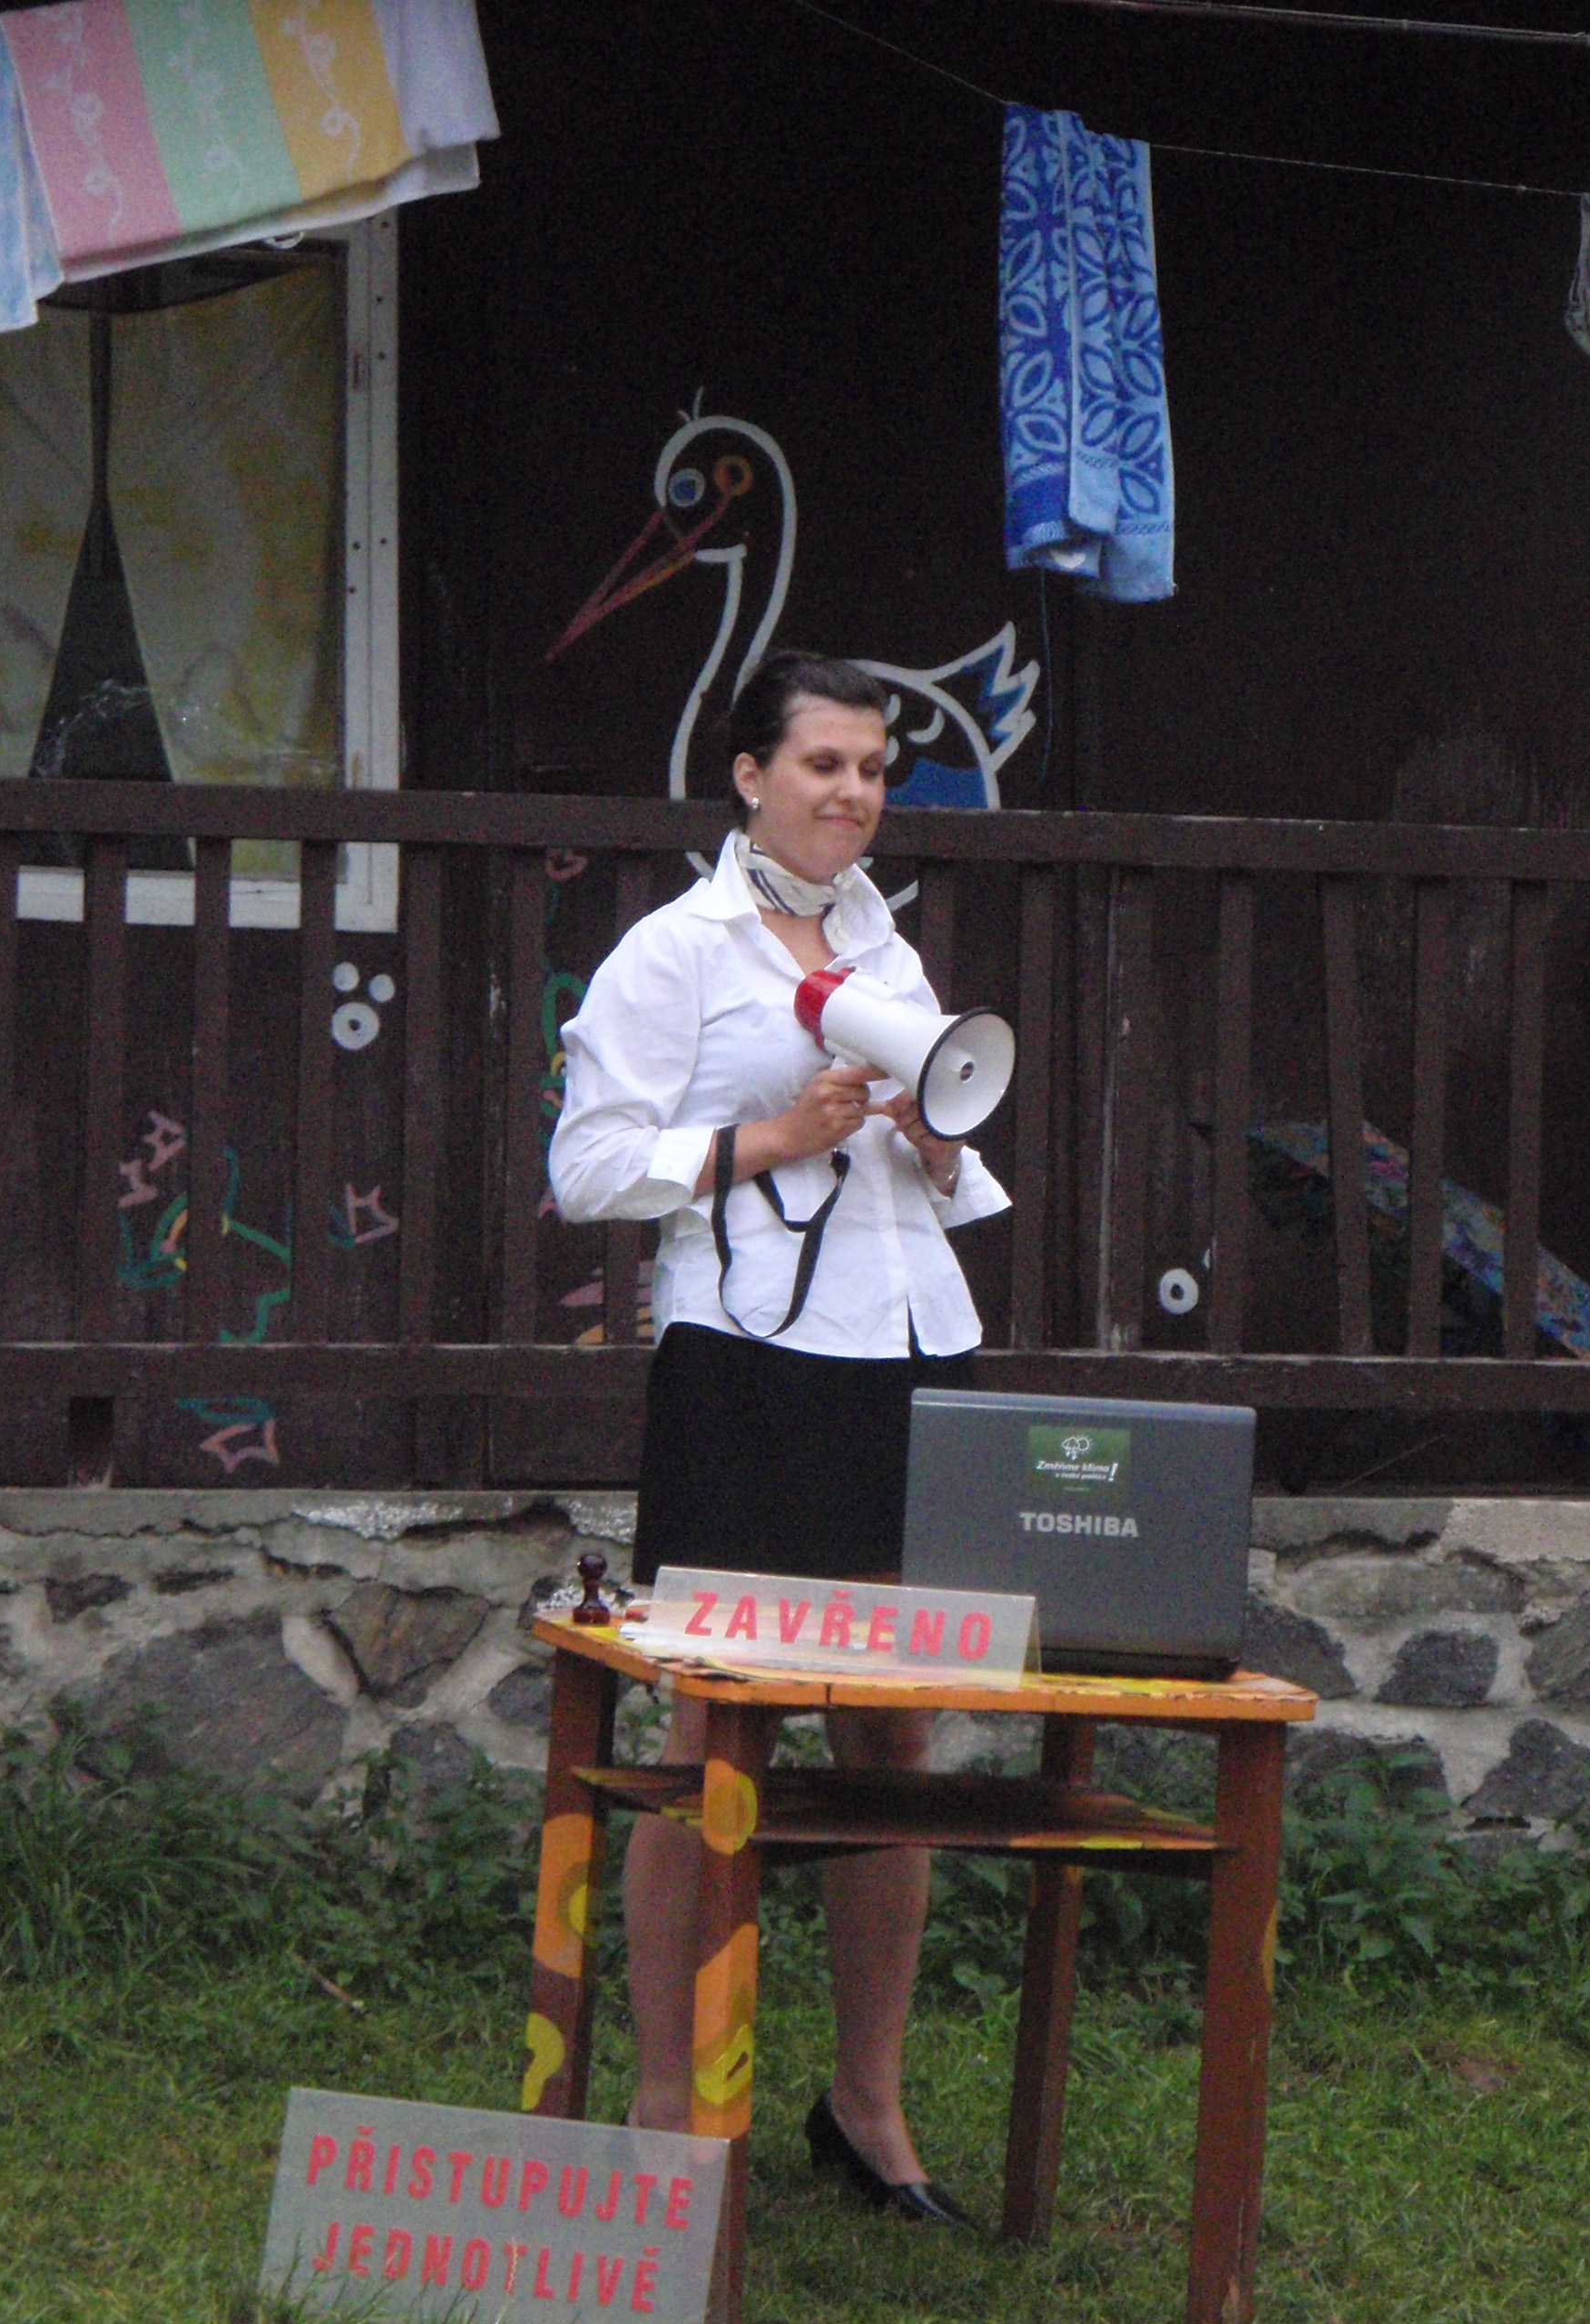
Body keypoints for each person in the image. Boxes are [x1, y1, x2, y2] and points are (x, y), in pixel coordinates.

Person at [546, 649, 1009, 2221]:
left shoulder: (887, 944)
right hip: (747, 1364)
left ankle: (866, 2108)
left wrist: (931, 1144)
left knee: (895, 1736)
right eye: (824, 764)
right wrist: (769, 1138)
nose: (854, 793)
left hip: (908, 1350)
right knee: (707, 1737)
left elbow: (946, 1165)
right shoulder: (673, 954)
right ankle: (666, 2108)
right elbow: (588, 1169)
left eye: (873, 769)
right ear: (749, 776)